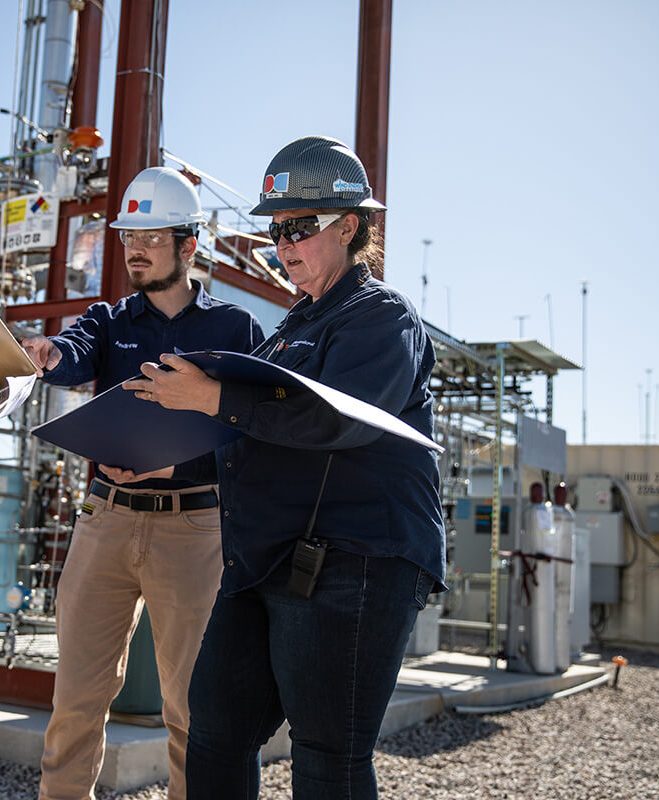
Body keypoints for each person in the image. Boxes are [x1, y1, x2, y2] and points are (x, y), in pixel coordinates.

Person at [107, 136, 446, 800]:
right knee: (214, 731)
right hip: (266, 561)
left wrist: (212, 396)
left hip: (354, 561)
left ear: (349, 226)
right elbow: (256, 436)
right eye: (276, 229)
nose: (285, 244)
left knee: (327, 756)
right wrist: (165, 463)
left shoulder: (382, 317)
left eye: (299, 226)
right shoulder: (291, 330)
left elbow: (339, 420)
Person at [23, 166, 265, 800]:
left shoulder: (236, 331)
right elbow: (71, 351)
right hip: (105, 523)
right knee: (76, 702)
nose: (134, 247)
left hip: (195, 529)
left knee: (191, 710)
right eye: (129, 234)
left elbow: (259, 431)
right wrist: (48, 352)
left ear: (189, 246)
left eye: (152, 236)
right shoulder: (107, 321)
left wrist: (181, 466)